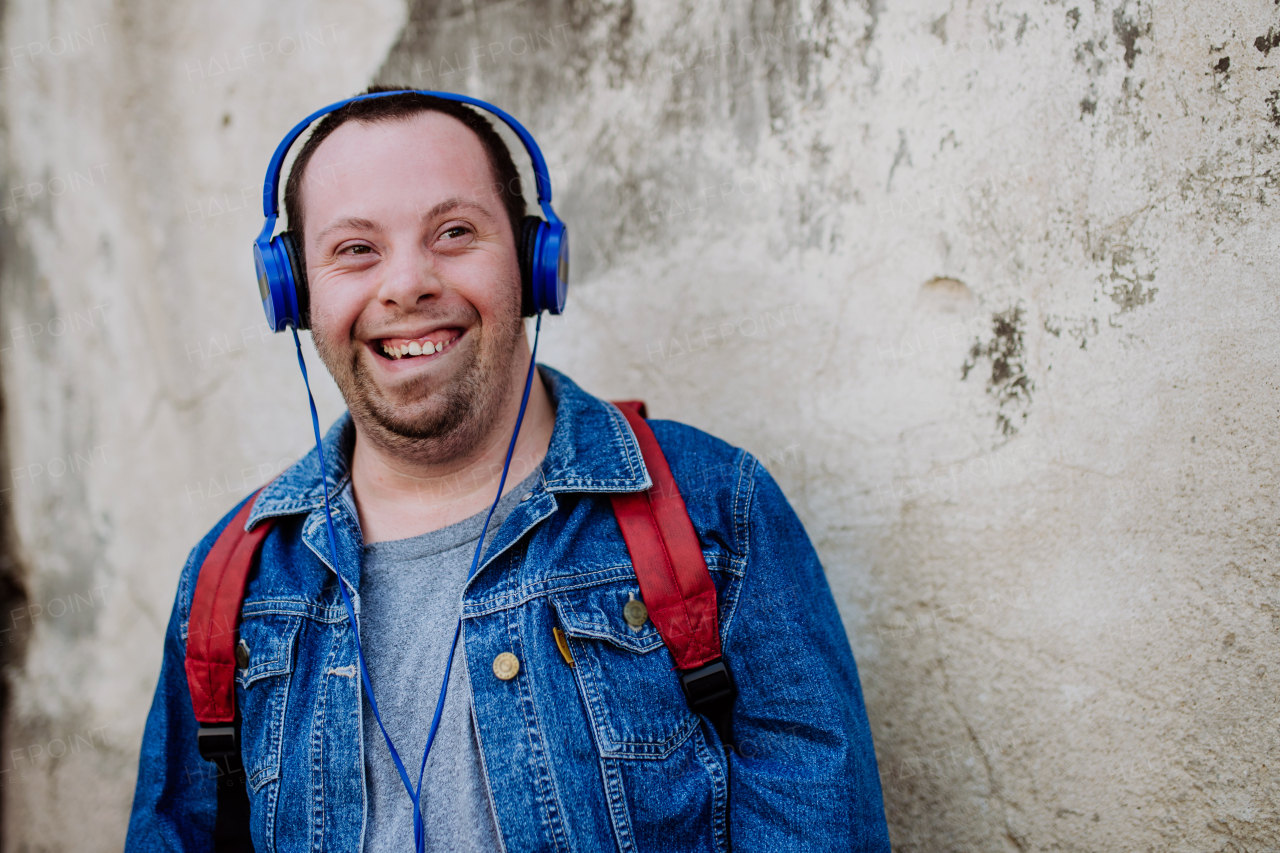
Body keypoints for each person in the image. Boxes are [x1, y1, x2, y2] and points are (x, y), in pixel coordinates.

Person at [125, 87, 890, 852]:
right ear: (292, 292)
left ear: (534, 264)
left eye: (455, 232)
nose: (406, 283)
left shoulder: (718, 513)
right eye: (355, 248)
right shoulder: (234, 580)